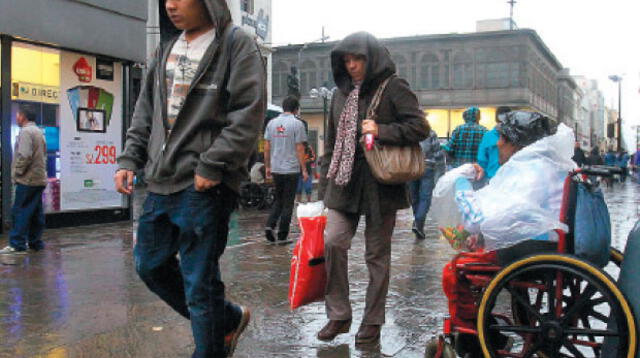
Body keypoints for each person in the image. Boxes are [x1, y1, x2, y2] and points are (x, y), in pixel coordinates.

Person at [113, 0, 265, 356]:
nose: (171, 4)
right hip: (161, 180)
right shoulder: (166, 48)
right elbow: (145, 111)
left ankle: (210, 347)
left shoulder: (234, 43)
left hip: (204, 184)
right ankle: (226, 319)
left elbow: (248, 113)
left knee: (199, 281)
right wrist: (129, 158)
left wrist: (213, 165)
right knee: (149, 264)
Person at [317, 31, 429, 344]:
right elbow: (330, 141)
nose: (352, 65)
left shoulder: (394, 86)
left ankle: (372, 321)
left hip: (381, 184)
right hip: (343, 182)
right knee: (334, 242)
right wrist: (323, 189)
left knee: (376, 256)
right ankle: (339, 315)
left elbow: (420, 127)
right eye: (346, 60)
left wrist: (382, 130)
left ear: (372, 57)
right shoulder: (339, 93)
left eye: (358, 59)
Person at [0, 105, 48, 255]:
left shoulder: (26, 132)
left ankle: (17, 244)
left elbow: (24, 155)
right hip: (39, 179)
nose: (16, 117)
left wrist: (17, 173)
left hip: (27, 179)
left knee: (19, 211)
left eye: (18, 115)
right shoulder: (39, 132)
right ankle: (35, 242)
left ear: (23, 116)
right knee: (35, 212)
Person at [263, 96, 308, 242]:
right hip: (291, 168)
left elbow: (267, 147)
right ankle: (283, 234)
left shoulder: (271, 123)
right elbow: (300, 148)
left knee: (279, 199)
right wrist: (304, 169)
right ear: (296, 109)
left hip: (276, 168)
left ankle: (270, 225)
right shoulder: (297, 124)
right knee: (288, 202)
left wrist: (268, 166)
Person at [409, 128, 445, 239]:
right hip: (427, 167)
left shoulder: (408, 131)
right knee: (425, 197)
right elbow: (438, 153)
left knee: (414, 196)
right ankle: (418, 222)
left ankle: (418, 221)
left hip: (410, 167)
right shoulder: (430, 132)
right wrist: (441, 170)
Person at [477, 106, 511, 180]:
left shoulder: (488, 136)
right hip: (512, 178)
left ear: (496, 118)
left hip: (492, 177)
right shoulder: (517, 135)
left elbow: (482, 160)